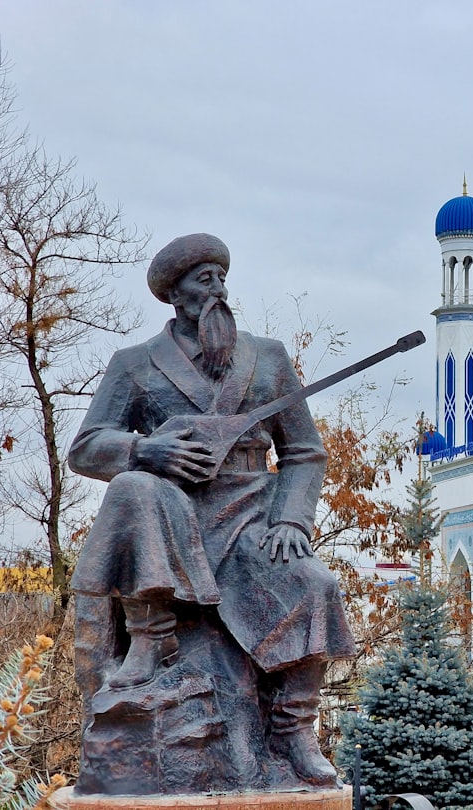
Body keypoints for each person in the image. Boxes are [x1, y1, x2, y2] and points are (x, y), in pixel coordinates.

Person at [68, 233, 356, 787]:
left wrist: (291, 520)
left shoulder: (266, 356)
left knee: (315, 583)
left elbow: (303, 452)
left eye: (222, 277)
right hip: (172, 516)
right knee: (134, 487)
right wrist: (143, 449)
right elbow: (87, 446)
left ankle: (294, 731)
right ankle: (151, 638)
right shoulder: (134, 364)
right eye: (205, 279)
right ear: (175, 294)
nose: (219, 288)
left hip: (253, 516)